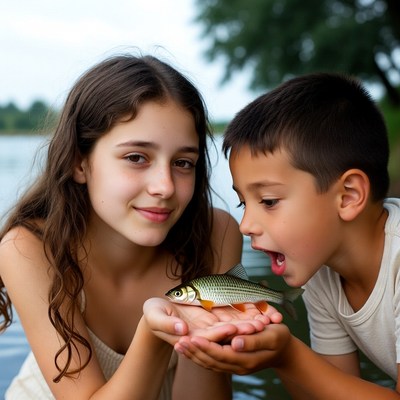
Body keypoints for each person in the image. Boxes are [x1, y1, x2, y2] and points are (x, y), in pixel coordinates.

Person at [0, 53, 274, 400]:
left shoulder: (215, 235)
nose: (165, 186)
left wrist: (201, 340)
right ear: (78, 162)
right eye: (136, 158)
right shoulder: (30, 248)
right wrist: (156, 332)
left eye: (183, 162)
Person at [173, 72, 400, 399]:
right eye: (242, 202)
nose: (245, 224)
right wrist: (274, 348)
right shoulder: (323, 275)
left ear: (348, 196)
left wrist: (291, 356)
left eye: (268, 201)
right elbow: (332, 390)